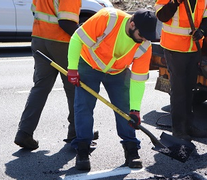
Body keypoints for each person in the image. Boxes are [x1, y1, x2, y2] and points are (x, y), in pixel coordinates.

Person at [66, 8, 157, 171]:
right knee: (83, 108)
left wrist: (135, 110)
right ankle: (82, 151)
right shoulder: (107, 18)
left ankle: (131, 150)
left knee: (125, 110)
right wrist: (72, 68)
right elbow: (76, 39)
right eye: (141, 35)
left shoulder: (145, 45)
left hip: (117, 72)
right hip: (89, 66)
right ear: (132, 24)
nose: (143, 39)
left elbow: (138, 80)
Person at [14, 0, 84, 150]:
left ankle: (24, 132)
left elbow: (35, 11)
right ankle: (77, 133)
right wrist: (86, 39)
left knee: (40, 88)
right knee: (74, 88)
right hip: (61, 42)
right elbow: (66, 22)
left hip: (40, 39)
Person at [155, 0, 207, 141]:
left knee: (189, 88)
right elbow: (161, 16)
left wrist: (202, 31)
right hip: (174, 48)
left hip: (193, 48)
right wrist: (174, 2)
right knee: (179, 90)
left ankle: (188, 126)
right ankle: (179, 130)